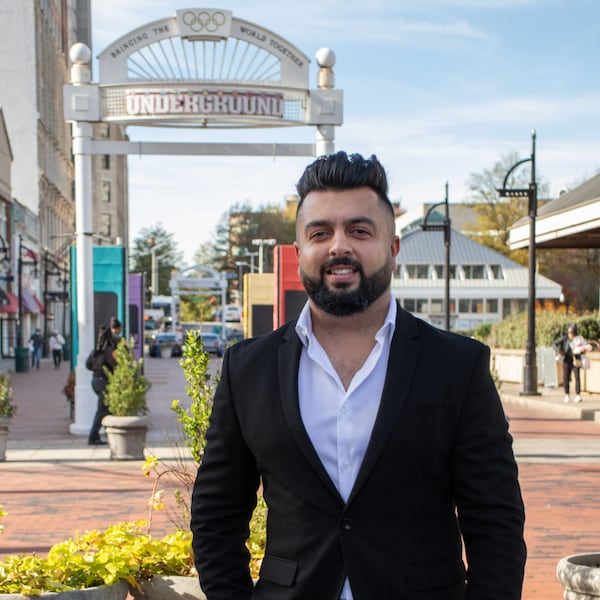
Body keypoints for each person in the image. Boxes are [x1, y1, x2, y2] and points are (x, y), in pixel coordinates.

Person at [190, 151, 526, 599]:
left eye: (359, 231)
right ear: (299, 253)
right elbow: (217, 513)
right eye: (320, 233)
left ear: (393, 248)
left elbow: (495, 520)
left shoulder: (457, 365)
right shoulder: (247, 369)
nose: (339, 246)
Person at [87, 325, 117, 446]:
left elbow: (88, 365)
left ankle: (102, 433)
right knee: (102, 410)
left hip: (95, 380)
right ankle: (93, 436)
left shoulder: (96, 350)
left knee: (105, 409)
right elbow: (115, 365)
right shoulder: (109, 351)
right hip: (103, 382)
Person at [553, 324, 593, 403]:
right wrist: (559, 351)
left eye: (573, 333)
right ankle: (566, 394)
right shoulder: (565, 339)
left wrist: (583, 350)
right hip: (567, 359)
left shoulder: (578, 339)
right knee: (566, 377)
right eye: (571, 333)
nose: (571, 335)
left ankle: (578, 395)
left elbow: (585, 346)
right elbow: (554, 343)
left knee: (577, 377)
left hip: (576, 359)